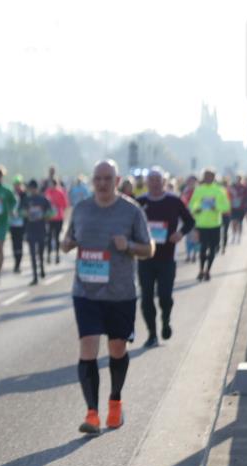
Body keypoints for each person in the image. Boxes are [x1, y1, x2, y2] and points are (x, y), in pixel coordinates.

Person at [62, 159, 154, 435]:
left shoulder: (131, 211)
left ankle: (115, 401)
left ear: (116, 180)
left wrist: (130, 246)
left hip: (120, 293)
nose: (102, 183)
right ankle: (92, 414)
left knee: (117, 349)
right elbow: (68, 239)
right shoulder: (81, 209)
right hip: (86, 293)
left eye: (107, 178)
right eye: (98, 178)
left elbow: (149, 249)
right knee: (88, 348)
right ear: (93, 181)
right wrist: (66, 244)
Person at [136, 167, 196, 348]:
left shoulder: (174, 201)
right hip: (145, 258)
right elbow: (128, 225)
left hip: (167, 257)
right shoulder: (139, 203)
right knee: (146, 298)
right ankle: (152, 334)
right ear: (147, 182)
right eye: (151, 179)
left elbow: (190, 221)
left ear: (164, 182)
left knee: (165, 297)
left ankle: (166, 319)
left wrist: (180, 234)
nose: (154, 183)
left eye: (158, 179)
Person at [187, 168, 230, 281]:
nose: (208, 178)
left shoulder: (220, 190)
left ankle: (208, 270)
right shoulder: (199, 190)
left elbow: (226, 207)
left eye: (210, 176)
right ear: (203, 177)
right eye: (206, 176)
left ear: (214, 177)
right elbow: (191, 205)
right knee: (203, 248)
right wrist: (198, 208)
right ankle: (201, 270)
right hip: (201, 224)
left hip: (215, 224)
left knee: (213, 249)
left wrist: (215, 207)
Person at [19, 179, 54, 285]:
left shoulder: (43, 199)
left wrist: (44, 215)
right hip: (30, 229)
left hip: (41, 228)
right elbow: (20, 211)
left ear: (37, 188)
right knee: (32, 254)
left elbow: (52, 212)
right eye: (31, 188)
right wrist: (27, 213)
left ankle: (42, 268)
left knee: (41, 251)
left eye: (34, 188)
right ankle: (35, 276)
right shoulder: (26, 199)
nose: (32, 190)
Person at [44, 178, 69, 265]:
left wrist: (58, 208)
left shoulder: (60, 192)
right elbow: (44, 204)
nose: (51, 186)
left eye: (52, 184)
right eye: (49, 184)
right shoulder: (47, 192)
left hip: (58, 218)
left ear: (55, 184)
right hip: (50, 218)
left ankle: (57, 255)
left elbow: (65, 205)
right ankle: (48, 256)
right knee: (49, 237)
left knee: (57, 237)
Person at [8, 176, 27, 273]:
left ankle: (18, 264)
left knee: (19, 244)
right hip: (12, 224)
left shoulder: (24, 195)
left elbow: (27, 207)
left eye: (18, 184)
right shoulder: (11, 195)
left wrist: (21, 213)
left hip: (21, 224)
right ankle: (16, 262)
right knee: (14, 244)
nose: (17, 186)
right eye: (15, 185)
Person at [227, 174, 247, 247]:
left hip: (241, 208)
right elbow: (228, 195)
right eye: (237, 179)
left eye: (239, 179)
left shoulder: (244, 187)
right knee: (233, 222)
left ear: (241, 179)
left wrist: (241, 198)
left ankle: (239, 237)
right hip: (233, 208)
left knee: (240, 223)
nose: (238, 180)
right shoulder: (232, 187)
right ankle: (233, 236)